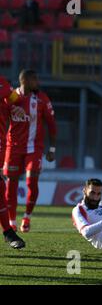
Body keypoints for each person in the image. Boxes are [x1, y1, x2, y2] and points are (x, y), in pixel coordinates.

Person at [3, 69, 57, 233]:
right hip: (12, 148)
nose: (37, 82)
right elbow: (3, 110)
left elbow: (51, 124)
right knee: (10, 185)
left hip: (34, 148)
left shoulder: (41, 98)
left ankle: (26, 217)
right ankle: (12, 221)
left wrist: (52, 148)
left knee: (31, 181)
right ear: (24, 81)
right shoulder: (11, 97)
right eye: (34, 80)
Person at [0, 76, 25, 248]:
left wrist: (16, 108)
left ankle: (8, 232)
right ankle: (8, 232)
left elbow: (16, 100)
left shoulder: (3, 83)